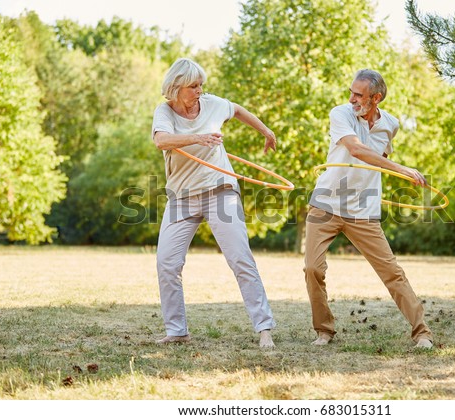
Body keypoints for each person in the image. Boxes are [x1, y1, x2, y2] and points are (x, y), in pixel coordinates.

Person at [304, 69, 434, 349]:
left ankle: (422, 332)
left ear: (376, 98)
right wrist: (402, 169)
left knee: (391, 272)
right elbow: (358, 151)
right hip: (326, 202)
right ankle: (324, 330)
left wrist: (392, 169)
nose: (351, 98)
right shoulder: (340, 113)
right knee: (312, 268)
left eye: (358, 95)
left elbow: (379, 158)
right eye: (351, 92)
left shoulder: (391, 124)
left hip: (363, 209)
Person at [151, 58, 276, 348]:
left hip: (220, 191)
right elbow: (161, 141)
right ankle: (177, 331)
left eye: (200, 85)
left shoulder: (212, 104)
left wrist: (266, 131)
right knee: (167, 263)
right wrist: (199, 137)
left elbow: (238, 110)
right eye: (193, 86)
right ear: (175, 87)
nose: (199, 91)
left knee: (240, 258)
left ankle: (264, 329)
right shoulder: (165, 112)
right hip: (181, 197)